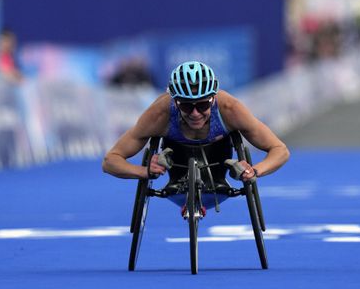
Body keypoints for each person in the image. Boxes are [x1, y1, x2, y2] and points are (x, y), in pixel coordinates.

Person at [102, 61, 289, 213]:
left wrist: (254, 171)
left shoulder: (230, 109)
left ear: (213, 99)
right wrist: (145, 172)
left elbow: (280, 150)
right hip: (176, 165)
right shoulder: (159, 114)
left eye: (202, 105)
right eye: (185, 106)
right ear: (175, 101)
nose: (195, 113)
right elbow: (110, 161)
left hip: (219, 163)